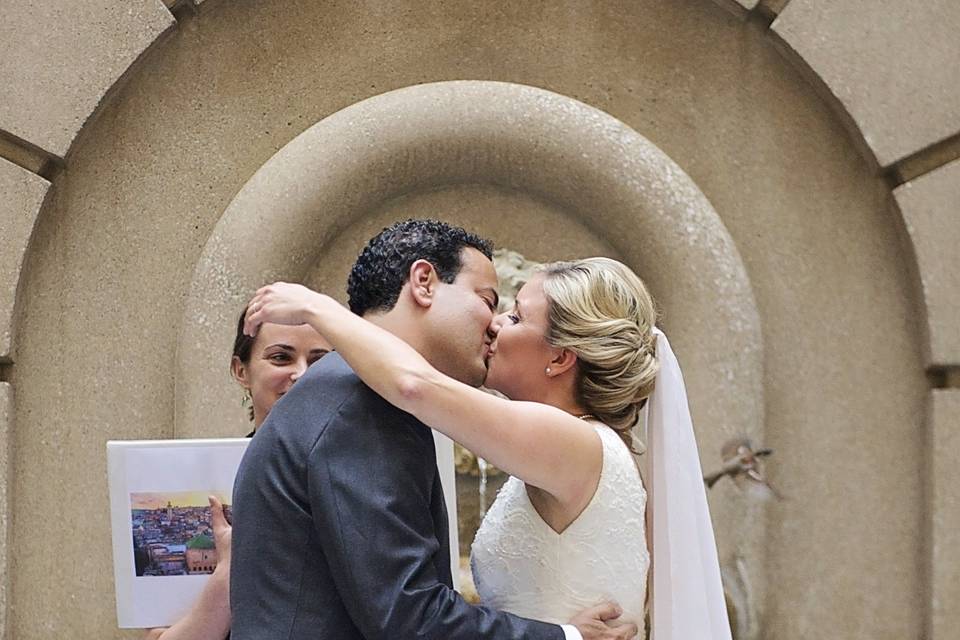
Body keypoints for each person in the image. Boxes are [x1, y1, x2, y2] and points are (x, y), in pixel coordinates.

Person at [245, 232, 732, 638]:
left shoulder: (573, 443)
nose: (497, 325)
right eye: (492, 305)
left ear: (561, 357)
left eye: (516, 316)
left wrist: (318, 308)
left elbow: (415, 384)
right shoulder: (583, 450)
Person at [144, 312, 331, 640]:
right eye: (280, 357)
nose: (302, 374)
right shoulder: (202, 487)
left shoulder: (363, 475)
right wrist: (230, 572)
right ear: (240, 370)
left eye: (319, 361)